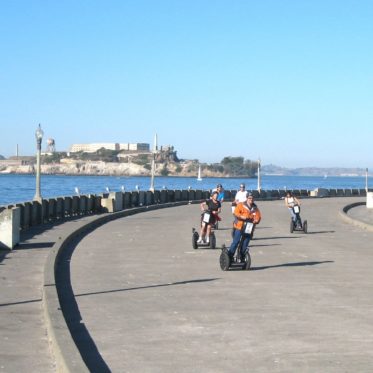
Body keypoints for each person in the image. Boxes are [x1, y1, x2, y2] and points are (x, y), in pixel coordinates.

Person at [228, 192, 261, 261]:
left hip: (249, 227)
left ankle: (242, 256)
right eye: (249, 198)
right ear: (247, 198)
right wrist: (241, 216)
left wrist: (256, 220)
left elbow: (258, 216)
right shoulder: (241, 205)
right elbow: (236, 212)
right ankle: (230, 256)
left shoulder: (255, 207)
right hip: (239, 226)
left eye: (252, 198)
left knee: (245, 243)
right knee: (236, 241)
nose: (251, 200)